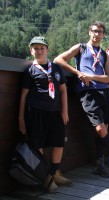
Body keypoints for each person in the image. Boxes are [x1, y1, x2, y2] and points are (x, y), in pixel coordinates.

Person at [54, 21, 109, 178]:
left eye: (100, 32)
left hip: (104, 93)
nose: (97, 34)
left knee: (102, 130)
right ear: (89, 32)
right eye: (94, 31)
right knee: (99, 128)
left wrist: (92, 76)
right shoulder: (81, 48)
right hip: (88, 93)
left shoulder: (104, 54)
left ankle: (99, 165)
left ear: (103, 35)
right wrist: (77, 73)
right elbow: (58, 60)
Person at [19, 36, 72, 193]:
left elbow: (63, 90)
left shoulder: (55, 68)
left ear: (47, 50)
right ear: (31, 51)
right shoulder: (30, 70)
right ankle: (46, 178)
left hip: (55, 112)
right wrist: (21, 119)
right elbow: (23, 96)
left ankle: (55, 173)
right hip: (36, 112)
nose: (39, 51)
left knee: (59, 143)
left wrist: (65, 111)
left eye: (42, 48)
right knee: (38, 145)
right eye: (35, 48)